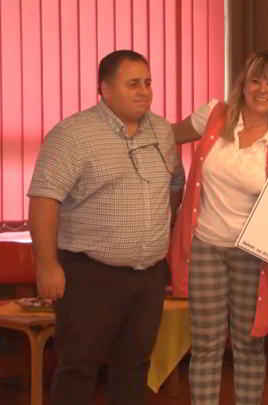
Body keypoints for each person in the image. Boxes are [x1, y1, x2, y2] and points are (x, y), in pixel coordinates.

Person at [27, 50, 178, 405]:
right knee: (78, 368)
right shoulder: (73, 134)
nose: (144, 91)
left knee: (135, 366)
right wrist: (46, 264)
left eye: (148, 82)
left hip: (148, 275)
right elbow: (44, 199)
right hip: (89, 274)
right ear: (106, 90)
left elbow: (173, 184)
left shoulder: (162, 131)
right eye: (133, 84)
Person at [168, 50, 268, 404]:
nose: (262, 90)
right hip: (204, 248)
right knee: (206, 345)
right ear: (243, 84)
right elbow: (166, 135)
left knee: (248, 345)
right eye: (255, 80)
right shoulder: (213, 115)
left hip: (251, 258)